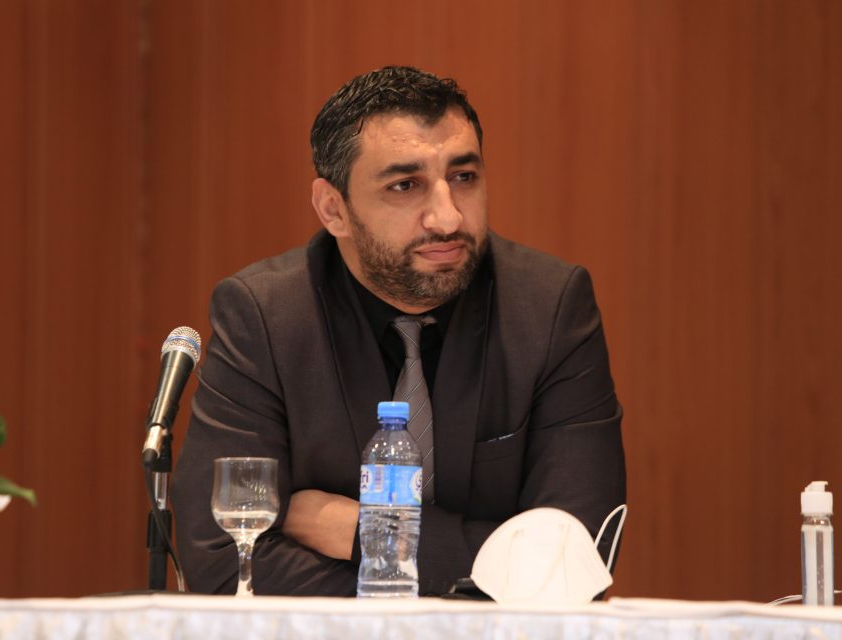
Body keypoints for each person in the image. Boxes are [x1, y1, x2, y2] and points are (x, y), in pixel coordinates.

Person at [171, 66, 626, 597]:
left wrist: (364, 532)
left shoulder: (548, 308)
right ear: (334, 209)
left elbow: (575, 565)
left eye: (464, 177)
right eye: (405, 186)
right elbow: (226, 562)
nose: (447, 218)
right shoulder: (267, 317)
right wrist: (485, 570)